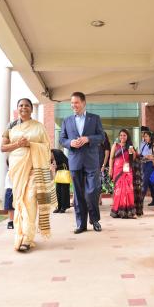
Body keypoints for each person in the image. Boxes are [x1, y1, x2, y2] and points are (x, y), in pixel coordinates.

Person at [1, 98, 55, 252]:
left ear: (31, 109)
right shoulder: (11, 126)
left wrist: (30, 144)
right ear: (17, 108)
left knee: (30, 201)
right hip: (17, 170)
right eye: (20, 105)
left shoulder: (39, 127)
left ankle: (27, 239)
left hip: (34, 168)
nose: (23, 108)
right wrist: (18, 144)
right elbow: (3, 147)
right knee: (18, 201)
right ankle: (20, 235)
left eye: (26, 105)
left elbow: (46, 148)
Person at [59, 92, 105, 234]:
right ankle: (81, 224)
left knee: (92, 192)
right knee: (78, 195)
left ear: (84, 103)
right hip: (75, 161)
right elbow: (62, 139)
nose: (74, 105)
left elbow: (102, 137)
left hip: (91, 161)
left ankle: (94, 219)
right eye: (72, 103)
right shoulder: (67, 120)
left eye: (76, 102)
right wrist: (70, 142)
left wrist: (88, 139)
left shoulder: (94, 118)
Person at [109, 129, 137, 219]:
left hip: (127, 170)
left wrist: (132, 151)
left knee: (128, 190)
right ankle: (117, 211)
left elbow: (134, 158)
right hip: (117, 170)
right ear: (118, 136)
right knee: (118, 191)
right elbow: (111, 158)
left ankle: (129, 212)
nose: (122, 137)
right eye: (121, 135)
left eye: (124, 135)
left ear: (127, 136)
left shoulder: (130, 147)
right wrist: (110, 169)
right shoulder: (115, 145)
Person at [139, 127, 154, 206]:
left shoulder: (153, 143)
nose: (143, 135)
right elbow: (141, 152)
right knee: (150, 182)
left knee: (144, 181)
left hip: (151, 163)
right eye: (142, 133)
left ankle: (140, 201)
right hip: (144, 163)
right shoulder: (143, 142)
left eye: (144, 134)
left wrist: (150, 157)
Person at [51, 148, 71, 214]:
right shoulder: (50, 157)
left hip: (64, 174)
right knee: (58, 191)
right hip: (59, 175)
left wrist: (57, 166)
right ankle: (59, 207)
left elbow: (67, 163)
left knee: (64, 191)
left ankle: (63, 208)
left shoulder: (58, 153)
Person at [99, 132, 113, 200]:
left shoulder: (106, 143)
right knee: (99, 183)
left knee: (107, 183)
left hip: (105, 166)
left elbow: (107, 155)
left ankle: (114, 199)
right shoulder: (99, 144)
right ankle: (99, 200)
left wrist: (103, 165)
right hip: (99, 166)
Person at [4, 160, 14, 229]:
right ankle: (10, 222)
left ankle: (11, 222)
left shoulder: (12, 170)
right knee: (10, 208)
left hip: (13, 189)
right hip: (10, 190)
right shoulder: (10, 171)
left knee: (12, 208)